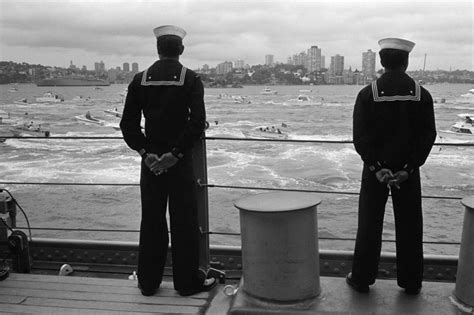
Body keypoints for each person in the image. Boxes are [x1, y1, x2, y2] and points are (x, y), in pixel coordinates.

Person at [120, 25, 216, 297]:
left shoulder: (139, 80)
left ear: (158, 51)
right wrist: (175, 155)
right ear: (181, 50)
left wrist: (144, 153)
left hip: (151, 164)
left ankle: (148, 283)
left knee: (151, 221)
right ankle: (187, 283)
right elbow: (197, 122)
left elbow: (128, 124)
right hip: (179, 162)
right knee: (184, 221)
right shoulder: (191, 79)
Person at [346, 38, 436, 295]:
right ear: (406, 62)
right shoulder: (422, 94)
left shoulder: (367, 94)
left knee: (369, 225)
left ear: (382, 62)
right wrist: (409, 167)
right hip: (408, 173)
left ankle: (362, 278)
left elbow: (360, 137)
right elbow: (428, 135)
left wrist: (377, 168)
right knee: (410, 226)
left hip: (375, 173)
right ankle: (411, 281)